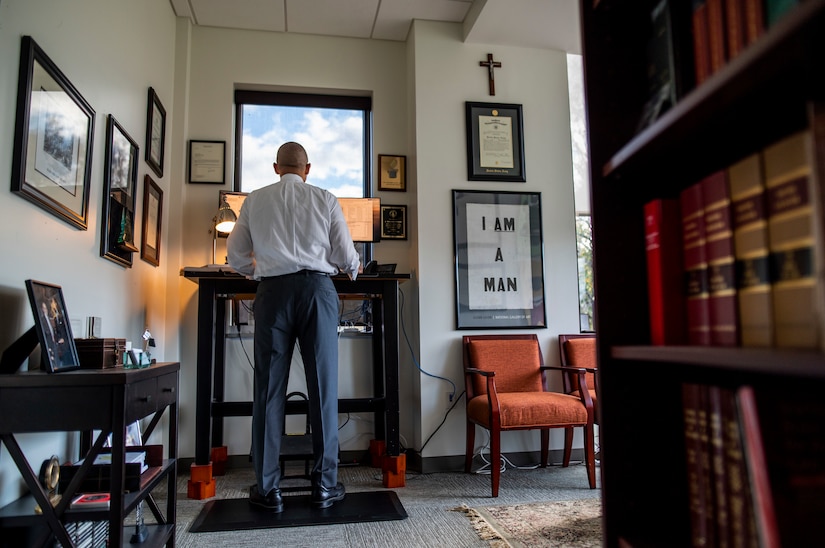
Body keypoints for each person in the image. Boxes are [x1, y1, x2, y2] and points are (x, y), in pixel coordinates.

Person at [227, 142, 360, 513]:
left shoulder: (255, 200)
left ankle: (269, 489)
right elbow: (346, 256)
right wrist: (352, 266)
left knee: (269, 389)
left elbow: (235, 255)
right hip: (317, 291)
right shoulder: (325, 198)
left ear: (275, 167)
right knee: (323, 388)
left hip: (273, 294)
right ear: (308, 168)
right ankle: (324, 486)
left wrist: (263, 273)